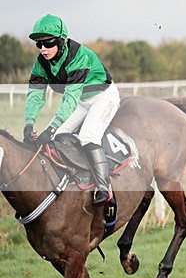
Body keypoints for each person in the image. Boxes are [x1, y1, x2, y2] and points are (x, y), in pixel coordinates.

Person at [24, 14, 120, 206]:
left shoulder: (79, 56)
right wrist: (29, 123)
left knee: (88, 136)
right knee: (58, 135)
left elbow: (70, 99)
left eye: (48, 43)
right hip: (81, 101)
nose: (43, 49)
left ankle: (103, 187)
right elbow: (35, 94)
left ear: (62, 40)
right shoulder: (41, 63)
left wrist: (49, 129)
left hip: (103, 97)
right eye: (39, 44)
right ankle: (73, 177)